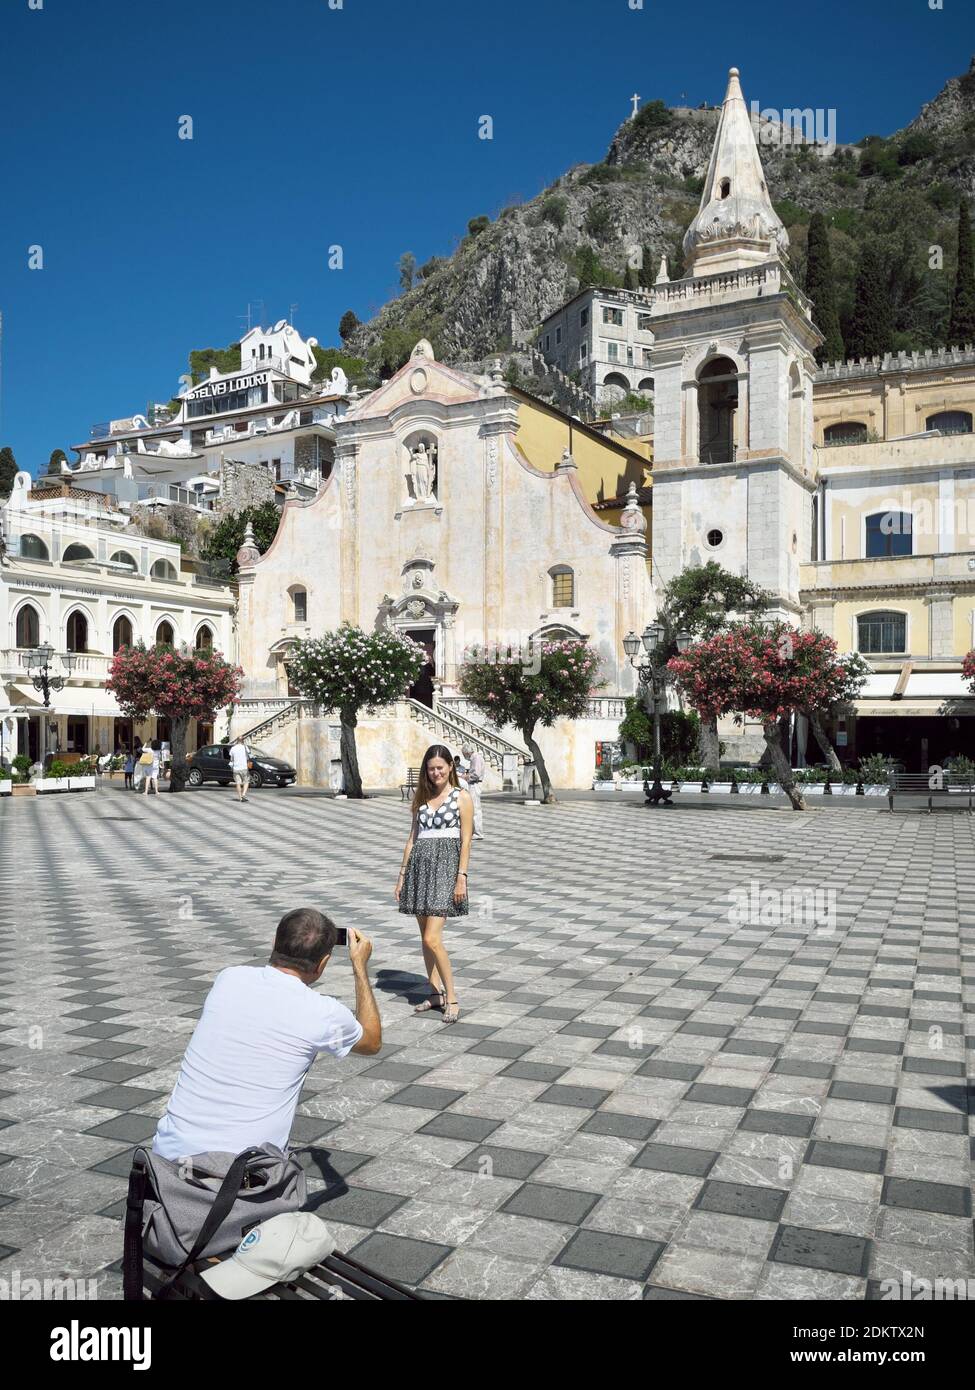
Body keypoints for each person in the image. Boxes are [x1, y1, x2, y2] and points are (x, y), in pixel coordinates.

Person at [153, 909, 380, 1160]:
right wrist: (359, 966)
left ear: (274, 942)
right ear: (323, 964)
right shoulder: (323, 1013)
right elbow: (371, 1042)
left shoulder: (228, 978)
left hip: (166, 1161)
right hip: (245, 1172)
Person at [395, 743, 472, 1024]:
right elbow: (412, 838)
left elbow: (465, 841)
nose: (436, 772)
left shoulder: (461, 797)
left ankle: (451, 997)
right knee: (424, 938)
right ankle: (434, 992)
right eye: (431, 769)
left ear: (450, 767)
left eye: (440, 767)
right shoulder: (422, 799)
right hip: (419, 869)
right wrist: (402, 875)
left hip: (445, 870)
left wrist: (461, 876)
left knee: (432, 937)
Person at [457, 743, 486, 840]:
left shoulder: (476, 758)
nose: (464, 756)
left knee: (476, 809)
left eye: (464, 754)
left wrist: (465, 777)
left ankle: (478, 832)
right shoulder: (475, 758)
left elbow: (476, 774)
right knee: (474, 808)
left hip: (475, 784)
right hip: (473, 784)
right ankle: (475, 831)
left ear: (467, 753)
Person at [229, 736, 250, 802]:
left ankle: (240, 798)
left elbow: (231, 758)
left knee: (238, 783)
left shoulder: (233, 748)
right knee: (246, 781)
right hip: (244, 767)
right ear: (243, 740)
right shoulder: (245, 747)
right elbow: (249, 755)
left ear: (237, 741)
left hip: (236, 768)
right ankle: (243, 794)